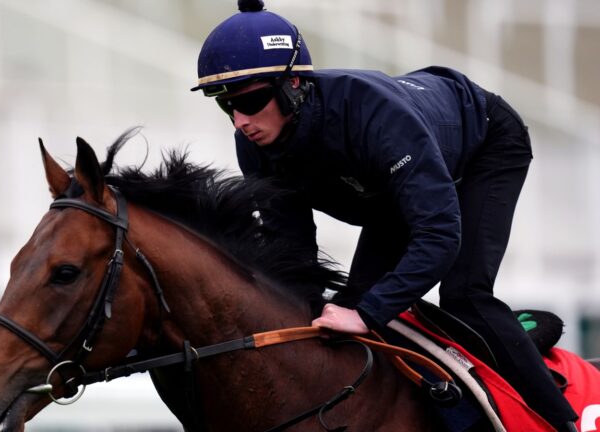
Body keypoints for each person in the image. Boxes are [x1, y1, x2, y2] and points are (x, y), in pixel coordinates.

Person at [191, 1, 579, 431]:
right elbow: (294, 251)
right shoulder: (256, 144)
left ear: (294, 83)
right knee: (345, 306)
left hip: (485, 147)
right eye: (226, 106)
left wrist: (368, 313)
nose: (240, 122)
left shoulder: (376, 116)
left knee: (464, 296)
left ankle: (564, 423)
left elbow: (438, 235)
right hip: (389, 189)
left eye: (252, 101)